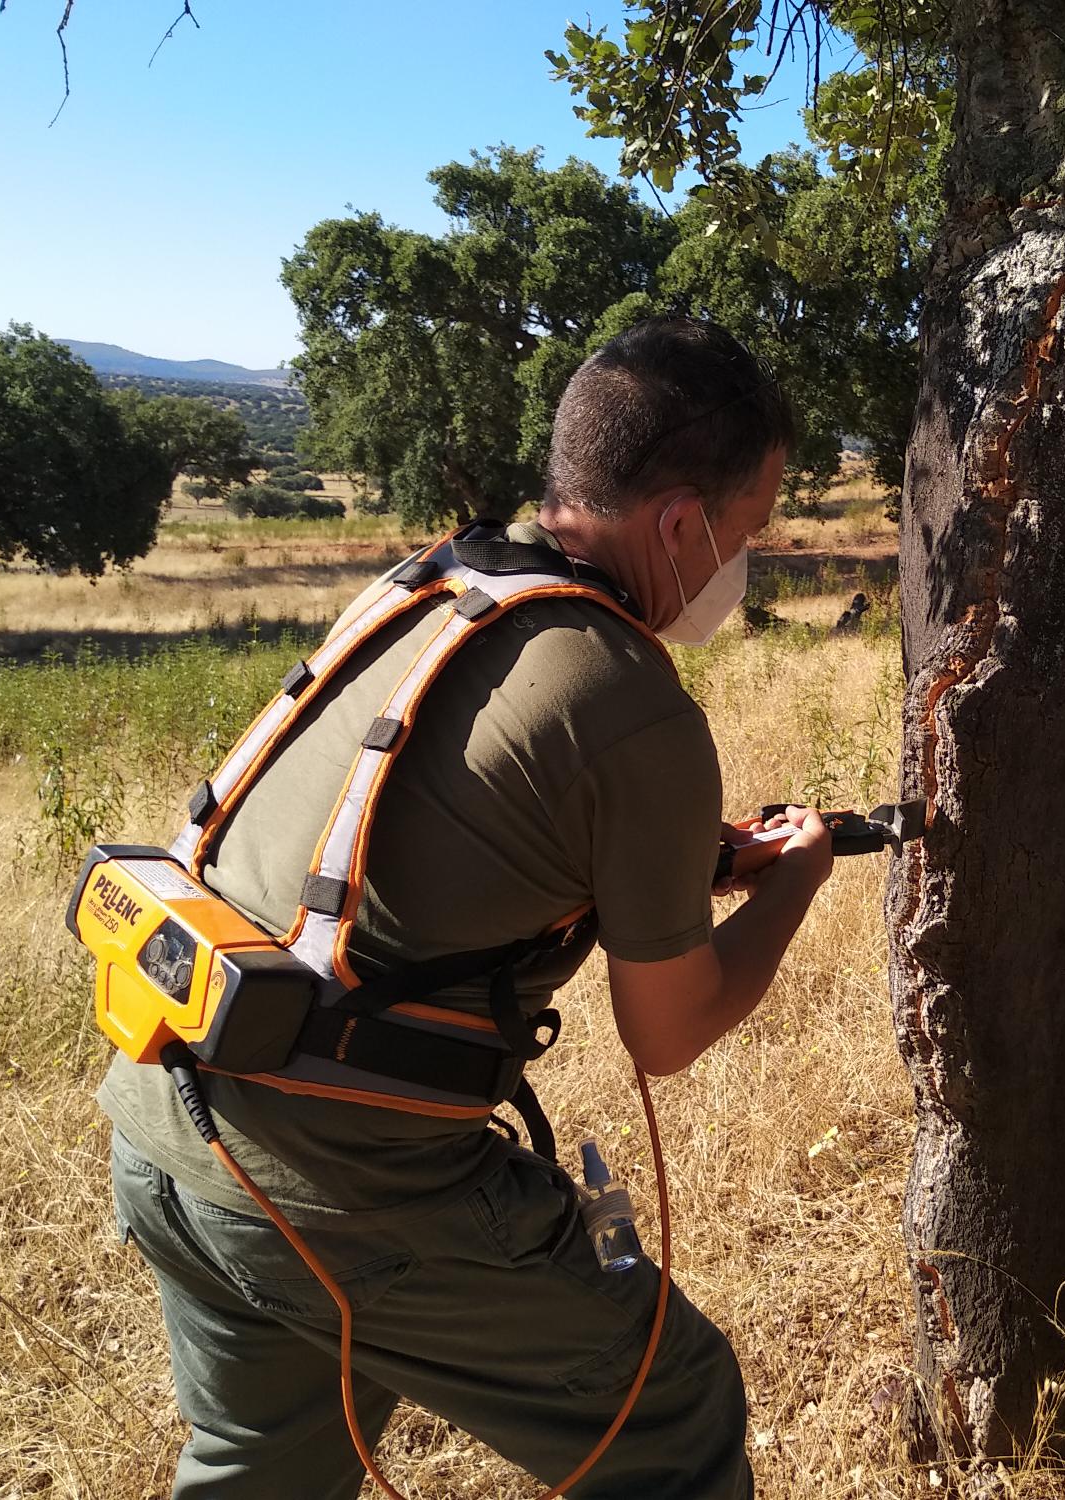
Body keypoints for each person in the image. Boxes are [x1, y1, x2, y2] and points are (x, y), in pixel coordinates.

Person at [96, 316, 835, 1499]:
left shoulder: (438, 587)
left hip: (165, 1128)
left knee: (261, 1468)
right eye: (750, 531)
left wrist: (680, 859)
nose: (748, 562)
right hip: (340, 1189)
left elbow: (449, 823)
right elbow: (669, 1030)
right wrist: (793, 884)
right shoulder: (630, 699)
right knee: (672, 1409)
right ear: (683, 523)